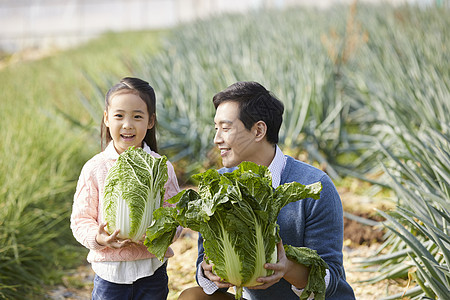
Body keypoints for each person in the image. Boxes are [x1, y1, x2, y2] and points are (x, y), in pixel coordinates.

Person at [178, 81, 355, 299]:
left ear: (259, 130)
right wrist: (209, 272)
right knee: (193, 297)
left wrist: (287, 268)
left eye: (225, 128)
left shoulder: (314, 185)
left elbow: (331, 279)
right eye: (216, 129)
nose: (217, 139)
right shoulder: (219, 185)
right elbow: (203, 261)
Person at [70, 77, 181, 300]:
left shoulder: (160, 166)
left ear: (150, 121)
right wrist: (99, 238)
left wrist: (158, 235)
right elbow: (80, 220)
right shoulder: (95, 167)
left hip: (152, 271)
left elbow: (176, 217)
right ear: (107, 118)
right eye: (119, 116)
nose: (128, 124)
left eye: (137, 116)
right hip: (109, 275)